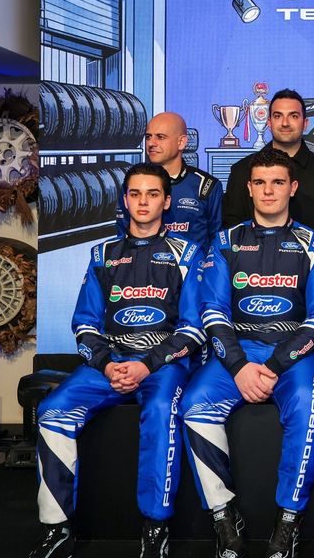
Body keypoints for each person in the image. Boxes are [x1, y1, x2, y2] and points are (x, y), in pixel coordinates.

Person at [30, 162, 205, 558]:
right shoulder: (102, 254)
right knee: (53, 411)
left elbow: (193, 330)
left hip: (162, 365)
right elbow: (84, 324)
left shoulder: (188, 254)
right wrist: (108, 365)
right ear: (125, 200)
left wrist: (147, 365)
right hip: (110, 363)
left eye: (153, 194)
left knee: (161, 410)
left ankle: (155, 525)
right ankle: (56, 527)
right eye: (135, 194)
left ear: (166, 201)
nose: (143, 202)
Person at [182, 148, 314, 558]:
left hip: (293, 354)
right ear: (249, 189)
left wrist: (270, 367)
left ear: (293, 187)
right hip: (237, 352)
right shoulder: (225, 242)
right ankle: (223, 514)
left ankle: (289, 518)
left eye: (278, 182)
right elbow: (212, 312)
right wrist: (239, 366)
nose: (269, 190)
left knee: (309, 402)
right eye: (260, 182)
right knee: (194, 404)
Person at [222, 88, 314, 260]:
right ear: (269, 122)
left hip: (311, 266)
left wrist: (306, 261)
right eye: (278, 116)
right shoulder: (242, 170)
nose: (285, 123)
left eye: (293, 116)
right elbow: (231, 226)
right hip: (250, 267)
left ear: (305, 123)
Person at [117, 111, 222, 251]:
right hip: (143, 263)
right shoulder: (132, 183)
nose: (151, 143)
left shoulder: (206, 186)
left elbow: (217, 243)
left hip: (193, 264)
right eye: (148, 137)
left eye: (160, 137)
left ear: (181, 142)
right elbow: (122, 238)